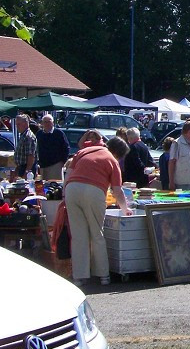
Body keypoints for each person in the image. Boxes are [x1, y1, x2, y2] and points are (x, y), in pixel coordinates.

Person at [64, 132, 132, 286]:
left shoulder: (84, 151)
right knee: (97, 234)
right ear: (117, 153)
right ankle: (103, 275)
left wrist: (64, 195)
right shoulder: (112, 161)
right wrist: (125, 209)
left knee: (78, 235)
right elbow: (117, 191)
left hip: (71, 189)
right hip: (93, 192)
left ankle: (79, 276)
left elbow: (68, 173)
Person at [35, 114, 70, 181]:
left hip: (56, 165)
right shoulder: (39, 134)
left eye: (49, 121)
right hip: (42, 165)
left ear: (53, 122)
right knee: (42, 188)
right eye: (45, 122)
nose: (47, 123)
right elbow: (36, 148)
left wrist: (63, 162)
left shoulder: (59, 133)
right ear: (42, 123)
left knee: (55, 186)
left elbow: (66, 148)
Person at [13, 113, 38, 179]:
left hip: (26, 168)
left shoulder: (28, 137)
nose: (17, 126)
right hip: (21, 167)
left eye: (18, 124)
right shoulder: (23, 135)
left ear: (25, 124)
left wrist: (26, 172)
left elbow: (31, 156)